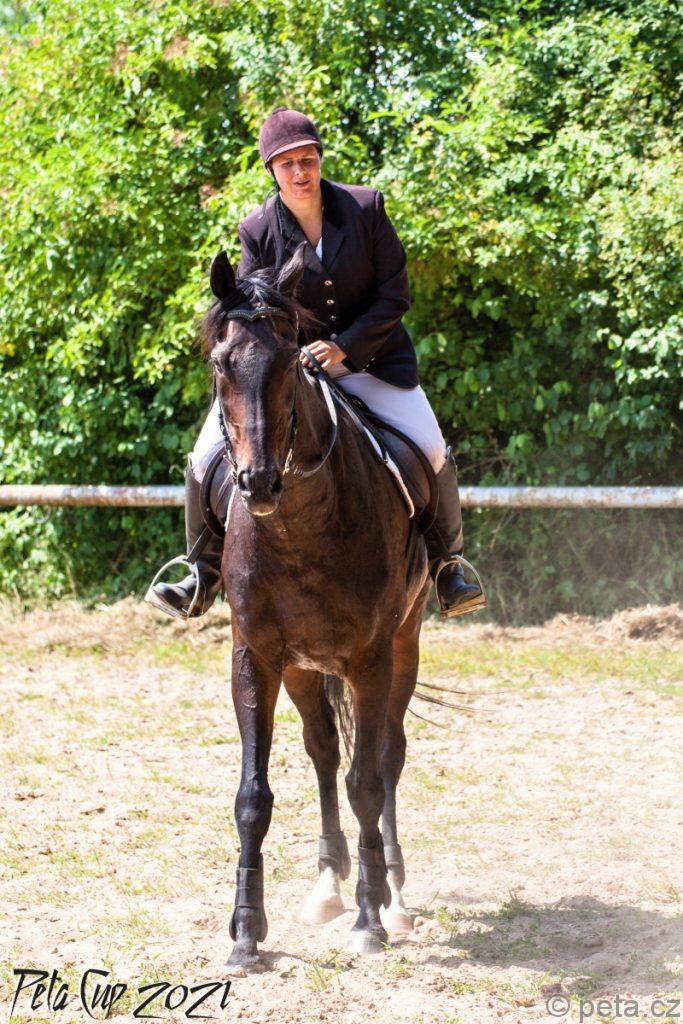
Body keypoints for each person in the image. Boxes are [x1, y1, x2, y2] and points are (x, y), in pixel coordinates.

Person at [148, 106, 485, 620]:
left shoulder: (366, 208)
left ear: (320, 160)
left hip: (375, 363)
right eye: (287, 164)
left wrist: (345, 346)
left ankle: (448, 566)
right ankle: (201, 571)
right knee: (203, 456)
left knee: (432, 446)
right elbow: (254, 312)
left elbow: (394, 294)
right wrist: (286, 358)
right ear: (272, 170)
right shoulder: (258, 229)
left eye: (307, 159)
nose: (300, 172)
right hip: (293, 372)